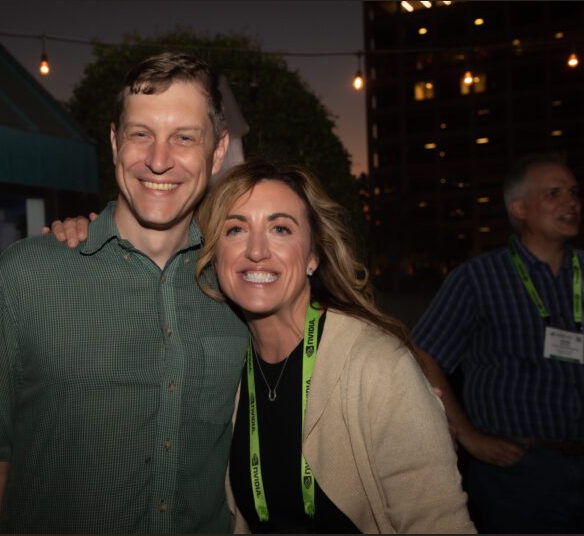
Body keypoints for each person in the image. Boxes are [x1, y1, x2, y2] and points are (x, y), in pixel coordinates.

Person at [53, 160, 476, 533]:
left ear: (312, 255)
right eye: (236, 229)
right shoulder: (224, 360)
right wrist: (92, 236)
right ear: (215, 254)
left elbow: (439, 521)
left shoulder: (378, 366)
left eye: (280, 228)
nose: (256, 251)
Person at [0, 52, 250, 533]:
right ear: (116, 142)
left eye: (184, 137)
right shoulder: (26, 277)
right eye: (141, 134)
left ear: (217, 151)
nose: (159, 160)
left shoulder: (238, 287)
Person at [413, 154, 584, 533]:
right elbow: (423, 353)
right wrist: (469, 436)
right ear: (519, 208)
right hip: (518, 473)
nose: (571, 202)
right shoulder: (478, 279)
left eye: (573, 192)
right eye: (554, 194)